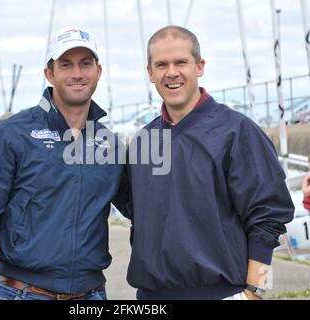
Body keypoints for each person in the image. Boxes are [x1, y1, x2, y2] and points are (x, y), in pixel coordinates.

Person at [125, 25, 295, 300]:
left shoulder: (237, 132)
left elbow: (270, 219)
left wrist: (256, 292)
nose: (171, 72)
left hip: (222, 293)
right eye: (161, 64)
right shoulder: (142, 143)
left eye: (181, 62)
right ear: (150, 73)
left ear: (199, 66)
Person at [0, 26, 126, 300]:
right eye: (66, 64)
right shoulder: (10, 134)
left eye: (86, 64)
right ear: (49, 73)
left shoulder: (110, 144)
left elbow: (145, 210)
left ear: (98, 71)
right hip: (23, 292)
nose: (77, 73)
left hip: (93, 294)